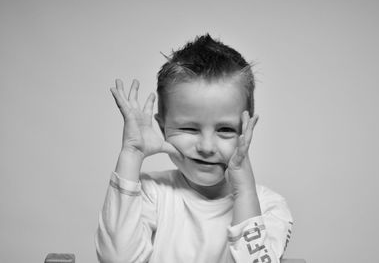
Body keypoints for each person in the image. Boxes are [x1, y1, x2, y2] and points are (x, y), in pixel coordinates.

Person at [95, 34, 293, 263]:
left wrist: (244, 193)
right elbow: (115, 259)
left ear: (246, 130)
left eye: (225, 129)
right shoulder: (151, 192)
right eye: (190, 128)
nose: (207, 147)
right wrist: (131, 155)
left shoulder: (270, 206)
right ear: (163, 128)